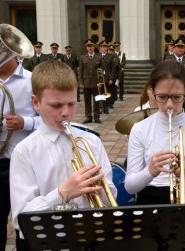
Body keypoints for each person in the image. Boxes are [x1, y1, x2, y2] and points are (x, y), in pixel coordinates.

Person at [9, 60, 117, 250]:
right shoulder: (24, 151)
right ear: (35, 102)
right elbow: (21, 218)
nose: (66, 113)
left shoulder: (91, 141)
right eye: (56, 105)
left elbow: (111, 195)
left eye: (71, 104)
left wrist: (101, 190)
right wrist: (62, 193)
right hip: (48, 241)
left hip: (89, 238)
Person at [125, 61, 185, 205]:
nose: (169, 105)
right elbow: (130, 186)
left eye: (176, 97)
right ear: (152, 92)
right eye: (162, 97)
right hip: (148, 196)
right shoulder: (139, 128)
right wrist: (150, 171)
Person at [0, 28, 41, 251]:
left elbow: (53, 122)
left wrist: (25, 123)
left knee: (28, 223)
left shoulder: (33, 81)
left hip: (23, 165)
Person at [165, 38, 185, 112]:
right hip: (171, 89)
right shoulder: (168, 60)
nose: (180, 49)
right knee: (173, 109)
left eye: (182, 47)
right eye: (178, 47)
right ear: (174, 48)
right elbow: (165, 76)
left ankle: (182, 122)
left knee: (183, 109)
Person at [78, 39, 102, 124]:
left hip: (96, 83)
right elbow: (80, 71)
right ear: (86, 48)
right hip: (86, 83)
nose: (90, 48)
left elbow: (102, 71)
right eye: (88, 46)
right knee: (87, 101)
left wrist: (101, 82)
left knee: (97, 101)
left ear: (94, 47)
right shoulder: (82, 57)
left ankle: (96, 116)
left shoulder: (99, 57)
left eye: (91, 46)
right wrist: (80, 82)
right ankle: (88, 116)